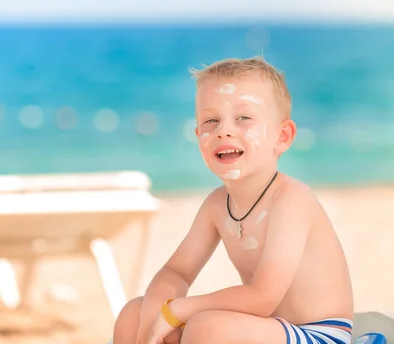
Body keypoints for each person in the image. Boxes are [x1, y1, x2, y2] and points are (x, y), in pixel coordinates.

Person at [112, 56, 354, 344]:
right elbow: (175, 272)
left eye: (243, 118)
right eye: (211, 120)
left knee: (206, 328)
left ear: (282, 136)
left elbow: (262, 297)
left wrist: (177, 309)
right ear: (198, 135)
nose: (223, 130)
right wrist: (152, 318)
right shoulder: (216, 205)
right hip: (266, 329)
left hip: (319, 334)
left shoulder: (292, 200)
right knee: (133, 312)